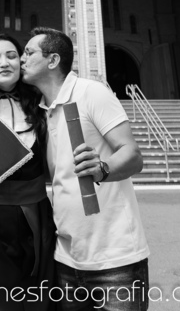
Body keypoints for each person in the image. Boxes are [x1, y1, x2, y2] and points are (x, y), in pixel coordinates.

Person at [21, 27, 149, 311]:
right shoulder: (43, 111)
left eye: (28, 53)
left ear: (53, 60)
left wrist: (102, 168)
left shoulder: (91, 92)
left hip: (115, 258)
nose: (21, 59)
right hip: (67, 258)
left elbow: (132, 154)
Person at [0, 34, 57, 310]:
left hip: (36, 216)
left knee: (37, 295)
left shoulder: (43, 103)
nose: (4, 63)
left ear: (22, 61)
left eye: (12, 56)